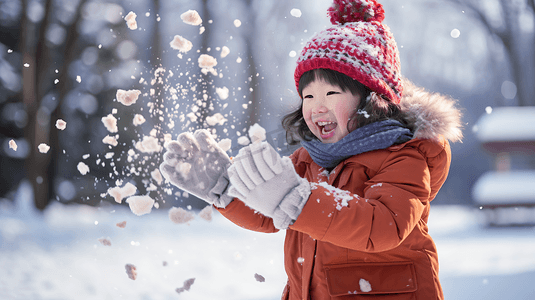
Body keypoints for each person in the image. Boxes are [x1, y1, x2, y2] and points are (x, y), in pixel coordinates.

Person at [159, 0, 463, 299]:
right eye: (308, 96)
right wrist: (225, 187)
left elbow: (384, 225)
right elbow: (269, 214)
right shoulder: (309, 159)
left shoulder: (404, 157)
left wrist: (299, 201)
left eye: (331, 93)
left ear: (373, 99)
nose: (317, 107)